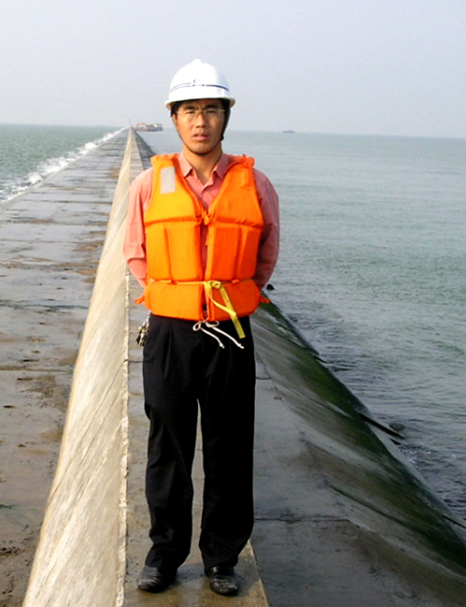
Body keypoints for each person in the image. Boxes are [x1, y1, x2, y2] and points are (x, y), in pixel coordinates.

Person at [124, 59, 280, 597]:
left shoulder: (255, 184)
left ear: (225, 117)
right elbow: (136, 253)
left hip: (230, 333)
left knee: (229, 451)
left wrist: (230, 296)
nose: (201, 121)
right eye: (190, 110)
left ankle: (221, 558)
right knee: (167, 448)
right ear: (174, 117)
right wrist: (176, 295)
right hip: (170, 332)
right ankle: (164, 555)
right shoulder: (150, 184)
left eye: (211, 110)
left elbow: (265, 254)